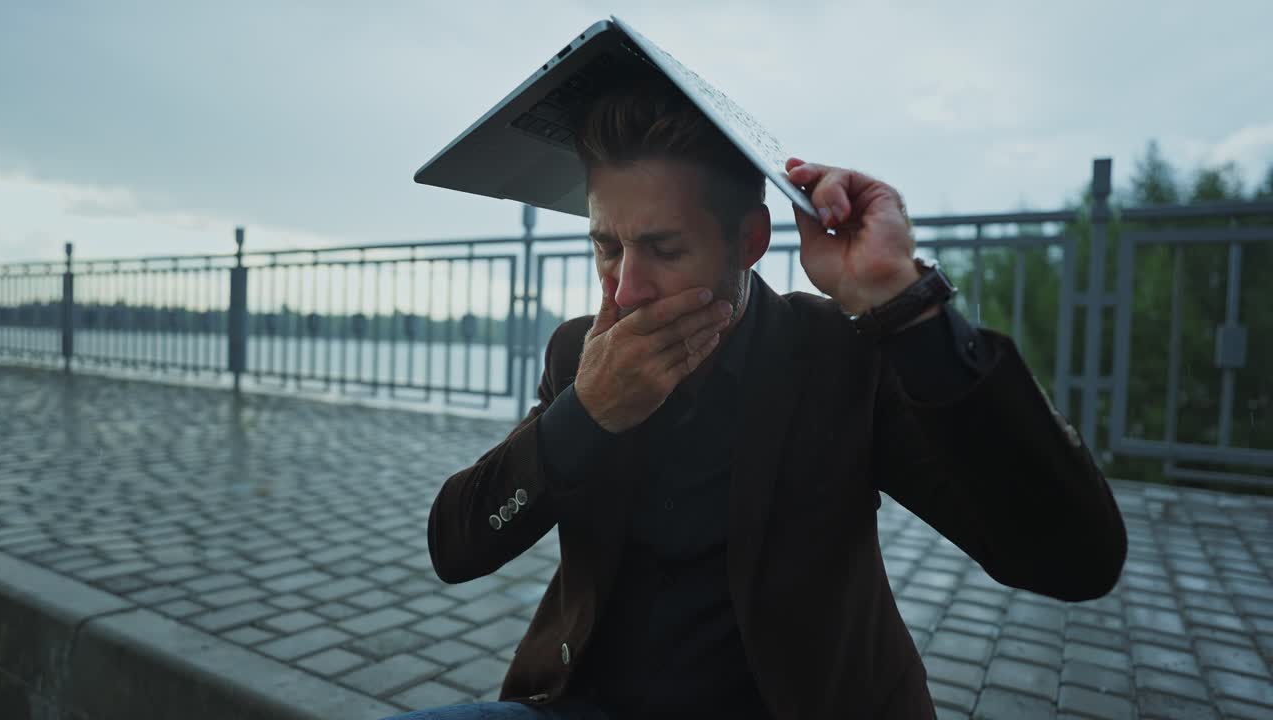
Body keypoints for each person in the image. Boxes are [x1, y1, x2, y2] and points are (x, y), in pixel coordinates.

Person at [386, 76, 1127, 719]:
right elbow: (455, 546)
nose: (626, 288)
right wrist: (584, 416)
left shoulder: (838, 356)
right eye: (607, 246)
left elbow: (1074, 560)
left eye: (665, 249)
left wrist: (907, 308)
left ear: (750, 242)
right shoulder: (581, 354)